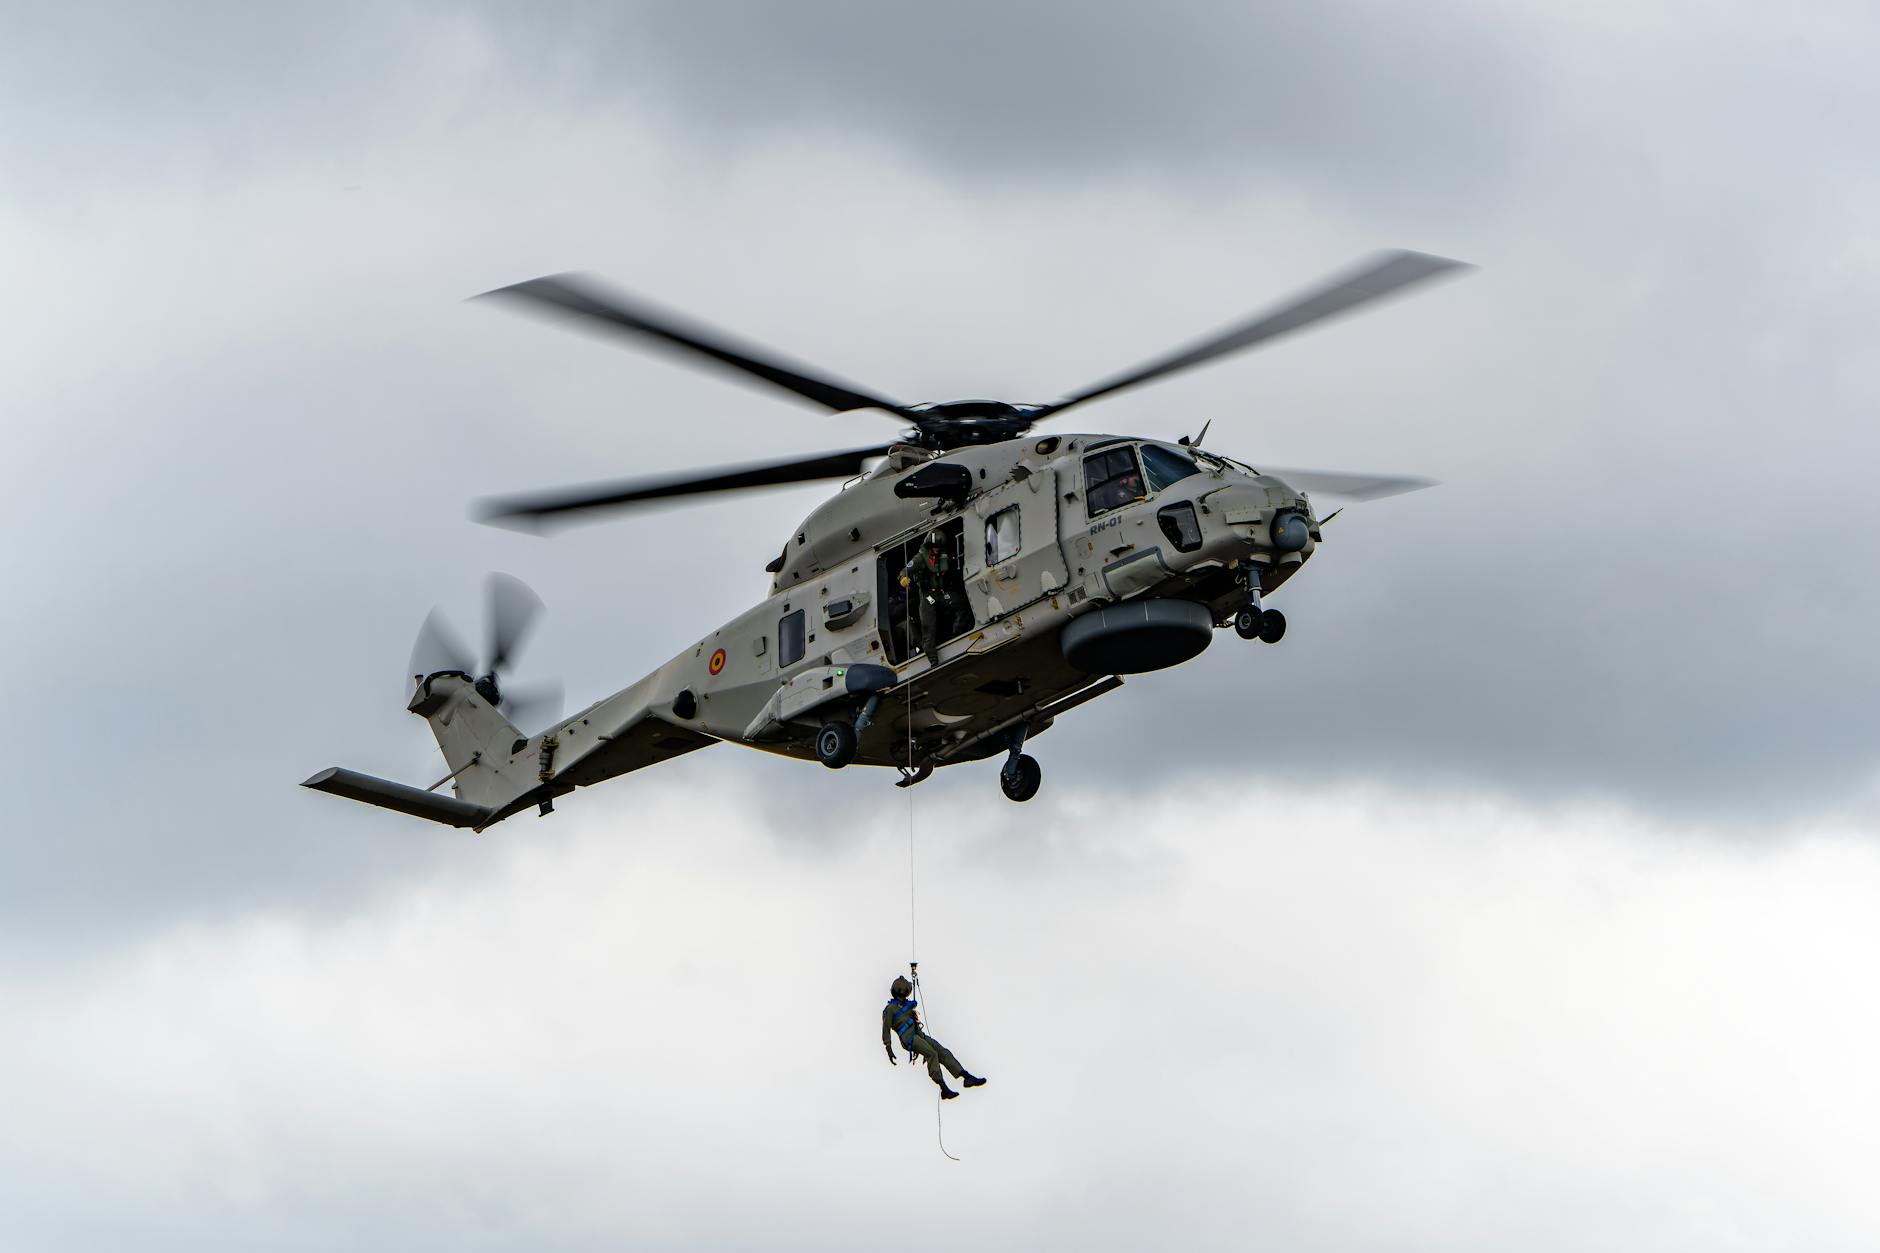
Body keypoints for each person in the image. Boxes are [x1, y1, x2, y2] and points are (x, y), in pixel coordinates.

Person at [882, 974, 985, 1099]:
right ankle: (944, 1088)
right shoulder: (890, 1008)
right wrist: (888, 1047)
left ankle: (966, 1076)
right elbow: (886, 1028)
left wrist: (911, 1008)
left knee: (942, 1052)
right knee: (931, 1053)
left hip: (919, 1034)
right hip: (908, 1038)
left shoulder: (908, 1006)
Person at [898, 534, 955, 660]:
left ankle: (957, 633)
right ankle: (932, 657)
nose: (937, 549)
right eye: (935, 547)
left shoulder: (942, 556)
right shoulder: (920, 559)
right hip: (928, 596)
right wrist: (904, 579)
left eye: (939, 547)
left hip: (942, 593)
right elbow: (904, 572)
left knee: (959, 605)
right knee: (928, 625)